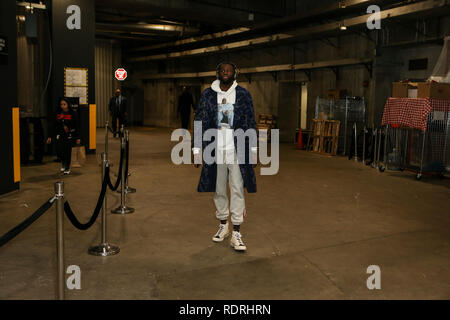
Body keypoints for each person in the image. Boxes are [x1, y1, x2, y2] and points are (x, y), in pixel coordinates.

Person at [193, 62, 257, 252]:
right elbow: (198, 120)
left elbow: (251, 121)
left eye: (229, 70)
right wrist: (197, 151)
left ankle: (236, 232)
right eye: (223, 71)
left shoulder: (243, 94)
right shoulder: (208, 95)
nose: (226, 73)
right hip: (215, 149)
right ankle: (223, 224)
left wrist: (253, 151)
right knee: (218, 188)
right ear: (218, 73)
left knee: (237, 188)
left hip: (237, 149)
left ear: (234, 73)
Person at [46, 98, 80, 175]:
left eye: (64, 104)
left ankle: (67, 167)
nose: (62, 106)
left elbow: (77, 126)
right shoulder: (58, 113)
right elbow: (54, 126)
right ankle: (63, 163)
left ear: (68, 105)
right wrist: (50, 136)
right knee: (60, 151)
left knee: (67, 152)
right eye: (61, 104)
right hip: (60, 135)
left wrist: (78, 137)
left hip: (69, 135)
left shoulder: (72, 113)